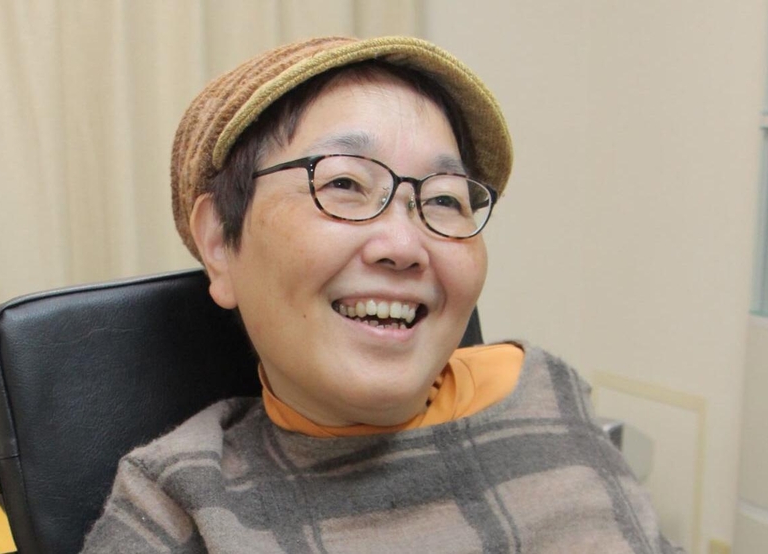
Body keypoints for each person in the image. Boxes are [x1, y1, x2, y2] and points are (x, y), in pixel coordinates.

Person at [81, 36, 682, 553]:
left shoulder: (542, 389)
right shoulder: (177, 501)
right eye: (344, 182)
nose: (404, 244)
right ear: (219, 242)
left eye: (444, 199)